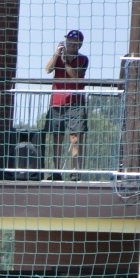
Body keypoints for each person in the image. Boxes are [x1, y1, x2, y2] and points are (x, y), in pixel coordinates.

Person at [44, 30, 89, 179]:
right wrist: (57, 54)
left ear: (79, 44)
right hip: (57, 103)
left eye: (74, 41)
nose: (70, 44)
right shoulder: (59, 58)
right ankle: (56, 171)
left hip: (75, 103)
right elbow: (48, 69)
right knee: (57, 137)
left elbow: (75, 77)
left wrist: (65, 62)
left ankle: (75, 172)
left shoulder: (83, 59)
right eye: (68, 40)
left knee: (75, 138)